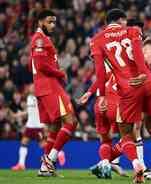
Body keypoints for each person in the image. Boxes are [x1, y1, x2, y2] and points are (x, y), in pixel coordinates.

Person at [90, 9, 151, 183]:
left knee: (126, 134)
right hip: (149, 82)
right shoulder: (132, 32)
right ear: (120, 20)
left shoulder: (96, 40)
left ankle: (137, 165)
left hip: (129, 88)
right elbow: (138, 53)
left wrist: (100, 95)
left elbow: (100, 71)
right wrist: (142, 73)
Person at [29, 9, 78, 177]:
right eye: (49, 22)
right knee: (71, 121)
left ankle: (44, 168)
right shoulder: (39, 39)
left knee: (56, 126)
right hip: (49, 86)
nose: (52, 25)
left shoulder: (42, 39)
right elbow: (41, 65)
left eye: (54, 22)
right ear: (40, 22)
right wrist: (60, 73)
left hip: (46, 87)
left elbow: (36, 65)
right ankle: (50, 159)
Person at [78, 58, 126, 178]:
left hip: (99, 104)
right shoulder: (123, 66)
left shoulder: (104, 69)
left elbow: (101, 79)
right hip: (114, 105)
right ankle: (109, 163)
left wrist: (89, 93)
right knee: (130, 137)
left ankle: (105, 164)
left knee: (105, 141)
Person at [11, 84, 65, 171]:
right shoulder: (29, 98)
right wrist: (19, 114)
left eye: (33, 87)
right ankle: (21, 164)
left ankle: (59, 153)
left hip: (39, 126)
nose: (31, 88)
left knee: (44, 145)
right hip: (30, 126)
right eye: (31, 87)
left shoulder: (40, 98)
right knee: (24, 142)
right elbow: (29, 111)